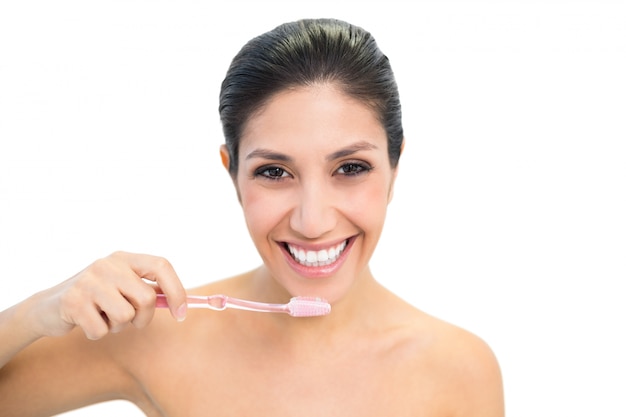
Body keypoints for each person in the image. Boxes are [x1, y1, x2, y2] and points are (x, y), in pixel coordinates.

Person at [0, 18, 504, 416]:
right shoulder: (157, 336)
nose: (312, 221)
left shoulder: (460, 370)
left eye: (351, 168)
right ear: (232, 174)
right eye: (274, 172)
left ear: (394, 169)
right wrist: (37, 311)